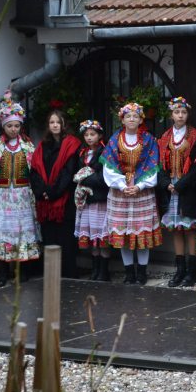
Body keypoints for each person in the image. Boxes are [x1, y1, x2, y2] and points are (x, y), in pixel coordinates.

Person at [0, 91, 39, 286]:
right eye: (10, 126)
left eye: (17, 126)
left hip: (23, 197)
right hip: (1, 197)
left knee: (22, 231)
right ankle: (3, 271)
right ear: (3, 126)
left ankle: (22, 270)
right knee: (2, 231)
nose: (13, 129)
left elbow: (36, 171)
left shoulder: (28, 146)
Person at [101, 102, 163, 285]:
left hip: (142, 193)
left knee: (141, 234)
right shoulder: (114, 140)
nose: (132, 119)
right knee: (125, 235)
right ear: (122, 119)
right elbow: (108, 166)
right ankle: (129, 272)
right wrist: (122, 185)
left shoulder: (149, 140)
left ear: (141, 119)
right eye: (128, 116)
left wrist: (140, 186)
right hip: (120, 194)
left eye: (135, 116)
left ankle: (142, 272)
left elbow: (153, 165)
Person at [157, 97, 196, 288]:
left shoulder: (195, 136)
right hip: (171, 187)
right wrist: (167, 184)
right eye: (177, 112)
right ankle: (180, 269)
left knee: (190, 227)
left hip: (188, 187)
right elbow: (160, 165)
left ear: (188, 115)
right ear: (171, 115)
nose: (180, 115)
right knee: (176, 228)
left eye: (183, 112)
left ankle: (192, 270)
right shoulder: (164, 137)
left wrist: (181, 184)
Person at [28, 109, 81, 278]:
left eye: (58, 122)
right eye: (52, 122)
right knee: (49, 238)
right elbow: (35, 171)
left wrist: (52, 192)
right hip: (46, 203)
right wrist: (42, 191)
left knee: (65, 240)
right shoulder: (42, 146)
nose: (55, 125)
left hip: (64, 200)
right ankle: (52, 275)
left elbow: (68, 172)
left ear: (64, 124)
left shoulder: (72, 144)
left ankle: (68, 276)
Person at [72, 120, 111, 281]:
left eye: (92, 134)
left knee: (101, 236)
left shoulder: (105, 152)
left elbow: (104, 178)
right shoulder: (82, 153)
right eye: (86, 135)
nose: (89, 137)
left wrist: (84, 179)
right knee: (92, 236)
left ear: (100, 135)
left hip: (100, 200)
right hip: (87, 200)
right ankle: (95, 269)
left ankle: (104, 271)